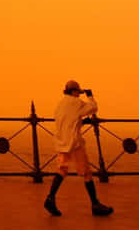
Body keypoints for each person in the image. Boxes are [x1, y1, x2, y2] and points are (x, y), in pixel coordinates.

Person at [44, 80, 113, 216]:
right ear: (74, 92)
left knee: (62, 170)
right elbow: (93, 108)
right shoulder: (77, 103)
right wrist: (90, 96)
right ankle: (95, 204)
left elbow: (69, 122)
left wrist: (82, 122)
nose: (79, 95)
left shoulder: (60, 105)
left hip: (62, 143)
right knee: (86, 172)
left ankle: (50, 198)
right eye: (78, 92)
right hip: (75, 144)